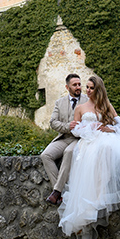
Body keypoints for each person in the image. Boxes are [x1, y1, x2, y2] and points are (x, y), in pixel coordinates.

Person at [57, 74, 120, 239]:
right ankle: (85, 219)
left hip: (104, 141)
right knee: (86, 178)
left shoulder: (106, 105)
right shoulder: (80, 108)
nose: (88, 90)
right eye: (87, 87)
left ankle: (97, 204)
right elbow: (75, 130)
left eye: (92, 88)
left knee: (102, 169)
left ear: (98, 89)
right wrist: (87, 128)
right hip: (87, 143)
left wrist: (108, 129)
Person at [40, 73, 86, 205]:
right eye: (74, 85)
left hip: (79, 139)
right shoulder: (59, 103)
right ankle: (61, 192)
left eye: (79, 84)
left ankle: (56, 193)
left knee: (69, 152)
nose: (78, 87)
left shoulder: (88, 100)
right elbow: (53, 122)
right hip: (63, 138)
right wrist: (67, 126)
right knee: (45, 155)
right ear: (67, 87)